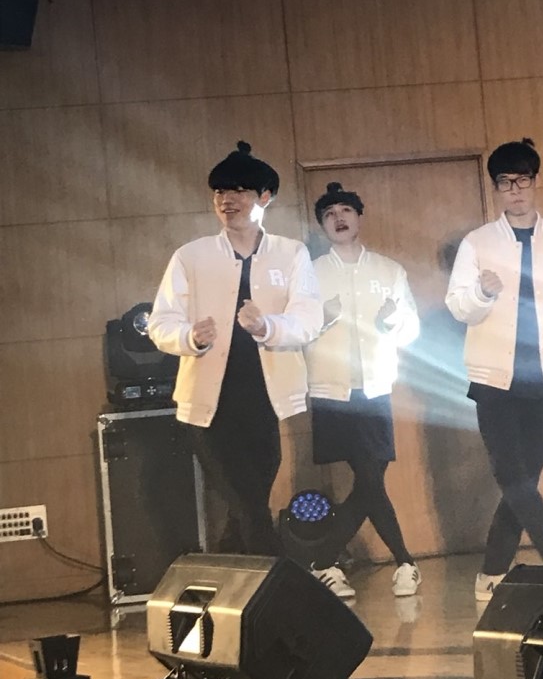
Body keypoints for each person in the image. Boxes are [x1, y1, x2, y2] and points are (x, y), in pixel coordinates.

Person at [148, 141, 324, 556]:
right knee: (248, 503)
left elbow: (309, 319)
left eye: (240, 190)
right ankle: (282, 581)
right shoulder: (191, 256)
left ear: (266, 197)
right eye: (220, 192)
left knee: (249, 501)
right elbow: (160, 323)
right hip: (210, 401)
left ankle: (235, 582)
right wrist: (191, 337)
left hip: (265, 398)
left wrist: (267, 326)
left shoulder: (291, 253)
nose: (227, 200)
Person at [446, 138, 543, 601]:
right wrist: (482, 292)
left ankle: (491, 572)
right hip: (493, 376)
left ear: (535, 182)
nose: (514, 190)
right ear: (495, 189)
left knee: (524, 481)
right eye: (505, 182)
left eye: (522, 180)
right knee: (511, 475)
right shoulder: (477, 243)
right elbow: (458, 306)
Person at [303, 182, 422, 599]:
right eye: (330, 214)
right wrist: (323, 317)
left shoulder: (389, 270)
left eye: (346, 211)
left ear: (358, 217)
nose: (339, 218)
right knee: (370, 481)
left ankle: (327, 562)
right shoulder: (310, 273)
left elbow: (411, 329)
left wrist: (392, 322)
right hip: (331, 389)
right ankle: (402, 562)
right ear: (322, 225)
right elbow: (292, 329)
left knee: (370, 480)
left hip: (374, 389)